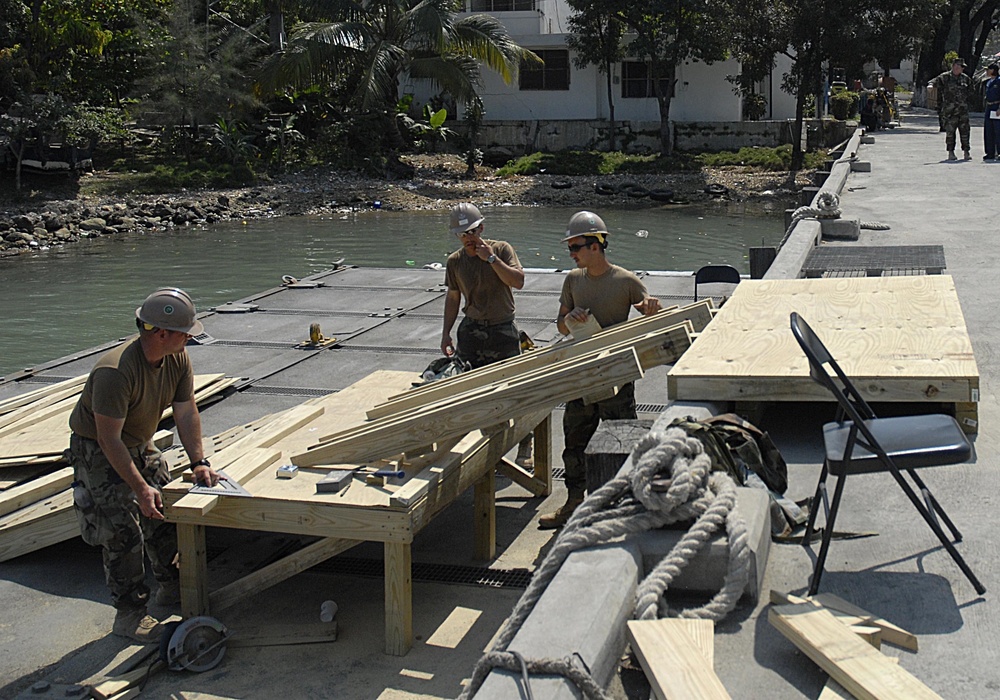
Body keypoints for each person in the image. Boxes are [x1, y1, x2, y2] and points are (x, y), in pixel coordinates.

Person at [68, 287, 220, 643]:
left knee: (165, 511)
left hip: (139, 441)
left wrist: (199, 461)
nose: (190, 338)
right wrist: (138, 488)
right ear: (161, 333)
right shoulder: (115, 372)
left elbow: (186, 411)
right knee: (122, 530)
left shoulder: (177, 358)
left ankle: (171, 587)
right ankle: (130, 615)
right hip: (98, 450)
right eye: (185, 332)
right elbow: (108, 439)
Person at [539, 211, 661, 529]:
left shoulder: (624, 280)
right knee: (575, 444)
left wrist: (650, 307)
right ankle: (574, 503)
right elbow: (561, 327)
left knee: (624, 440)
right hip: (583, 375)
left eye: (576, 247)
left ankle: (630, 502)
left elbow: (650, 309)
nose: (572, 254)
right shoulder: (573, 280)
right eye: (570, 248)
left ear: (596, 245)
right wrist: (569, 318)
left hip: (617, 376)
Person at [441, 202, 534, 465]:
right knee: (469, 390)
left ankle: (524, 444)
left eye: (472, 232)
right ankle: (487, 447)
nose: (469, 239)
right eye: (463, 234)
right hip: (471, 330)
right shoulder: (455, 261)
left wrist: (490, 258)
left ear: (481, 228)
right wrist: (446, 333)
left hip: (502, 328)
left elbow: (518, 281)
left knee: (513, 388)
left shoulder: (501, 249)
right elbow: (453, 296)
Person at [929, 57, 974, 160]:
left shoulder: (965, 78)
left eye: (962, 67)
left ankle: (966, 151)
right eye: (959, 66)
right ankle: (951, 152)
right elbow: (933, 81)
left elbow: (972, 91)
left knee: (965, 131)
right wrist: (930, 86)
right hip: (950, 111)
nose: (961, 69)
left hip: (963, 110)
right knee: (950, 133)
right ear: (954, 66)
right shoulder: (945, 77)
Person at [983, 63, 1000, 160]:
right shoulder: (989, 81)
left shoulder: (998, 81)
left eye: (988, 70)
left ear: (993, 70)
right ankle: (990, 152)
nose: (986, 72)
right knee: (988, 130)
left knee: (998, 130)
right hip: (989, 107)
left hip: (996, 106)